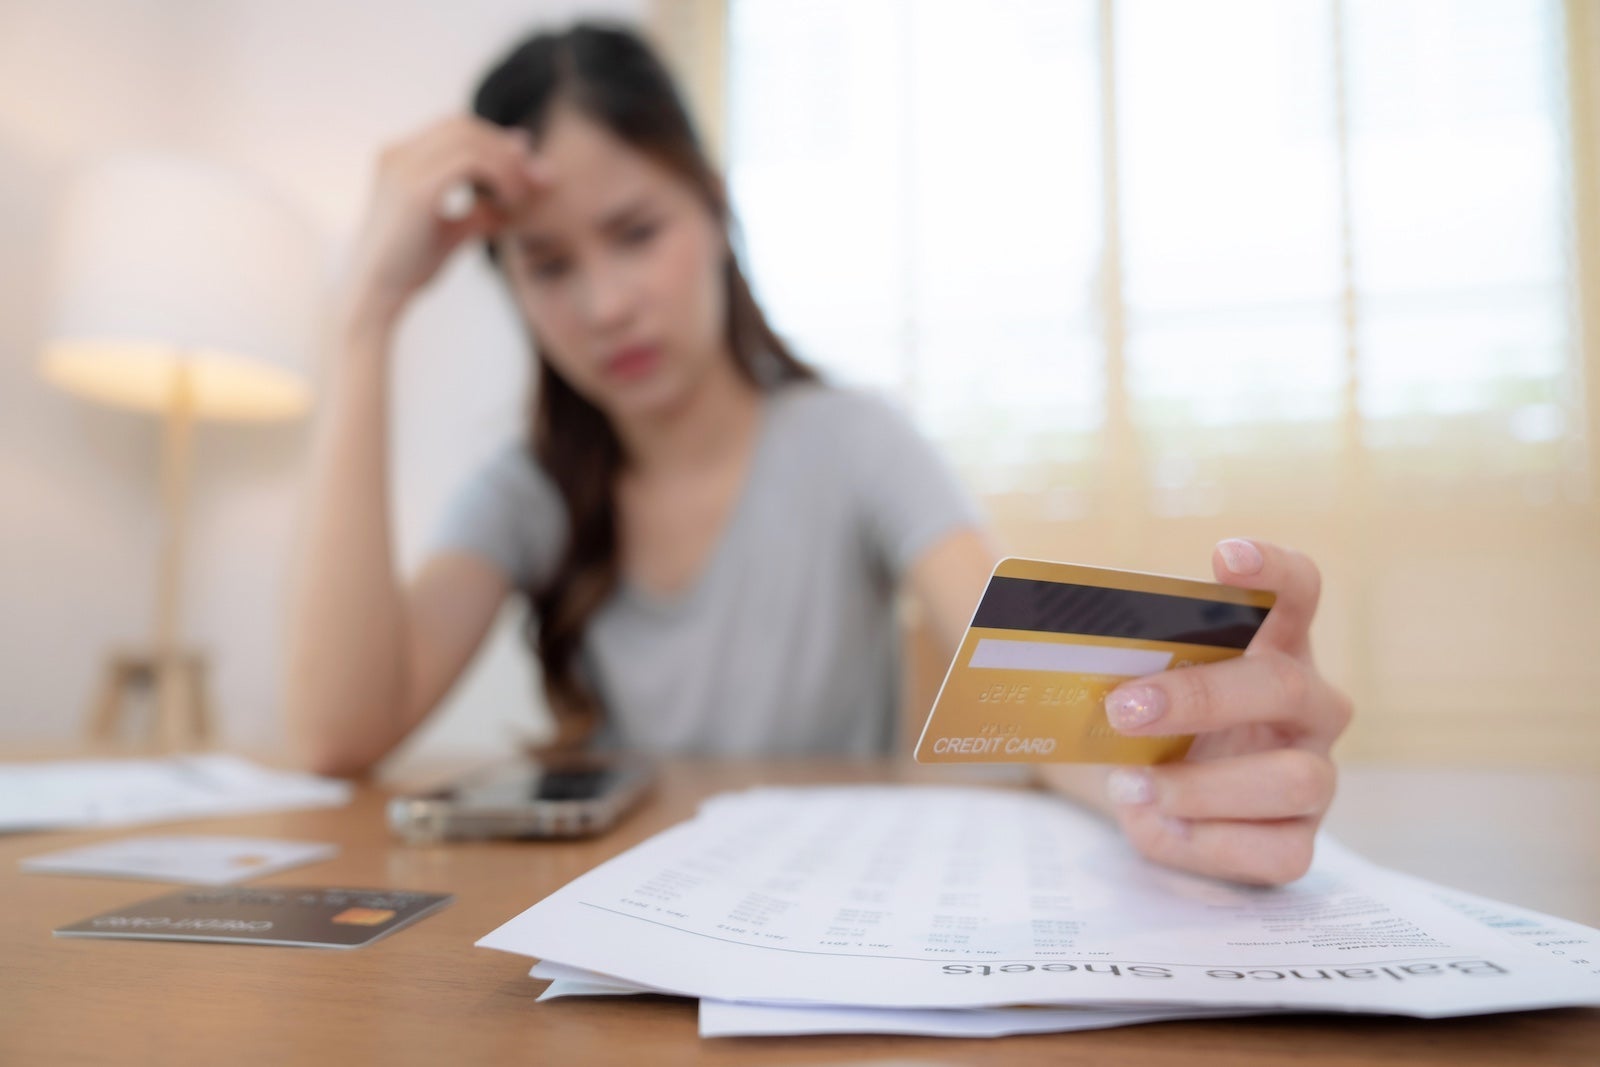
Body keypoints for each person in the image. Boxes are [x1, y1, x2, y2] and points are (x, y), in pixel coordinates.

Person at [284, 22, 1351, 887]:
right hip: (625, 920)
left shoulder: (851, 439)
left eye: (636, 231)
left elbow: (1027, 673)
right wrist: (365, 314)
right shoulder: (522, 492)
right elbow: (338, 731)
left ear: (712, 205)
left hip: (831, 912)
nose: (605, 304)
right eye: (548, 264)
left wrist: (1167, 761)